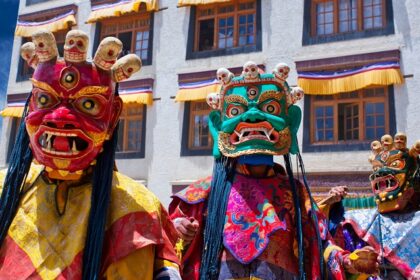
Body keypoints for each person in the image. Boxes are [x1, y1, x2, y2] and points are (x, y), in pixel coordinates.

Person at [169, 61, 379, 280]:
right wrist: (179, 229)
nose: (252, 117)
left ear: (291, 124)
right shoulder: (204, 193)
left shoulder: (296, 193)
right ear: (217, 126)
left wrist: (348, 261)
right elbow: (166, 242)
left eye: (269, 109)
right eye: (236, 111)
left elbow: (320, 243)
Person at [0, 29, 180, 280]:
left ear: (113, 115)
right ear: (30, 107)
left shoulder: (138, 205)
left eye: (88, 104)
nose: (60, 119)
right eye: (45, 100)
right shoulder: (4, 190)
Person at [325, 134, 420, 279]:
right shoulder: (356, 221)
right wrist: (351, 261)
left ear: (410, 190)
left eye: (394, 165)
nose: (381, 172)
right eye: (377, 168)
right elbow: (327, 246)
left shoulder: (417, 221)